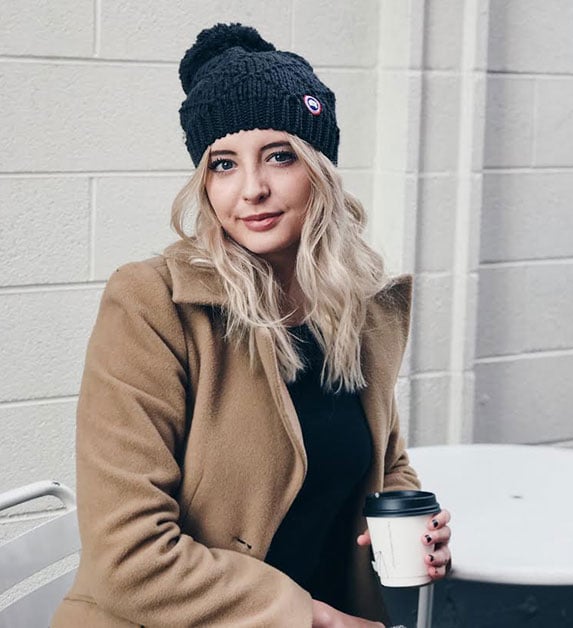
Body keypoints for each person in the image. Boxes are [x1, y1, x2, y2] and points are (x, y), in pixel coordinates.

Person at [52, 22, 451, 628]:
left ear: (319, 167)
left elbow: (385, 462)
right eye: (224, 164)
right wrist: (314, 618)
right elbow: (127, 556)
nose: (252, 190)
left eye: (279, 156)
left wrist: (413, 521)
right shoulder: (153, 306)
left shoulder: (359, 311)